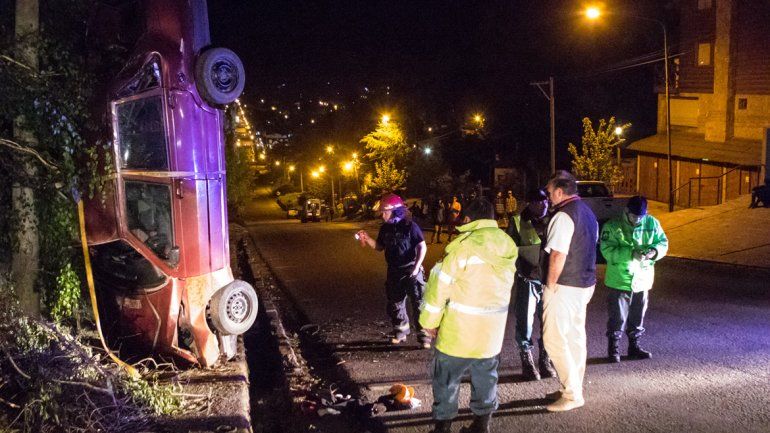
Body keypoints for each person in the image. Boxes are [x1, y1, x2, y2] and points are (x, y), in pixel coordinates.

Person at [419, 198, 517, 433]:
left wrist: (429, 323)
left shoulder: (462, 247)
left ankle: (442, 428)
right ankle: (481, 426)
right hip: (491, 333)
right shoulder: (508, 244)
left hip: (458, 333)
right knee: (486, 379)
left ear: (468, 219)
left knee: (446, 380)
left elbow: (439, 287)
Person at [542, 170, 598, 412]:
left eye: (549, 192)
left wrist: (550, 286)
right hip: (584, 283)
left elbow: (558, 254)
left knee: (554, 339)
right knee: (575, 338)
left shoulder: (564, 216)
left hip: (565, 286)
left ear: (559, 191)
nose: (547, 196)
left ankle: (572, 394)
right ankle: (572, 386)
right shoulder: (588, 212)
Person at [356, 193, 431, 348]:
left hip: (411, 269)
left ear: (396, 211)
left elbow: (422, 247)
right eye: (382, 212)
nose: (382, 215)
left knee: (419, 303)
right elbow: (379, 247)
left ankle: (424, 337)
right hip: (394, 271)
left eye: (385, 212)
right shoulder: (385, 228)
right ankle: (400, 332)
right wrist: (367, 238)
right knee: (395, 303)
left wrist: (416, 268)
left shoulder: (410, 226)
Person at [600, 196, 668, 363]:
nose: (637, 220)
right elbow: (606, 250)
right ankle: (614, 348)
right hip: (619, 279)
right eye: (634, 216)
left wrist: (654, 251)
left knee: (638, 314)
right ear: (626, 211)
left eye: (640, 216)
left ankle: (634, 346)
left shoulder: (652, 223)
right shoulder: (612, 226)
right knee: (617, 316)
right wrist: (630, 254)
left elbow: (663, 242)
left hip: (642, 279)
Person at [506, 189, 557, 381]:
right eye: (538, 202)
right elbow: (509, 250)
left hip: (550, 280)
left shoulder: (554, 219)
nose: (543, 205)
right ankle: (527, 360)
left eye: (545, 201)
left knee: (549, 321)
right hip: (527, 279)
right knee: (525, 322)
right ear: (530, 204)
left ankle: (545, 358)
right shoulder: (517, 221)